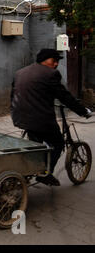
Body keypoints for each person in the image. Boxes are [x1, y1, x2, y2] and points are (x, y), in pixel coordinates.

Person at [11, 48, 92, 186]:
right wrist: (82, 111)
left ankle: (33, 167)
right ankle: (46, 173)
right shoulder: (50, 74)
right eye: (54, 61)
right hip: (40, 119)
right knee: (58, 143)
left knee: (36, 145)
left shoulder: (21, 72)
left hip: (20, 117)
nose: (55, 64)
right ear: (45, 60)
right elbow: (64, 96)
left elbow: (13, 95)